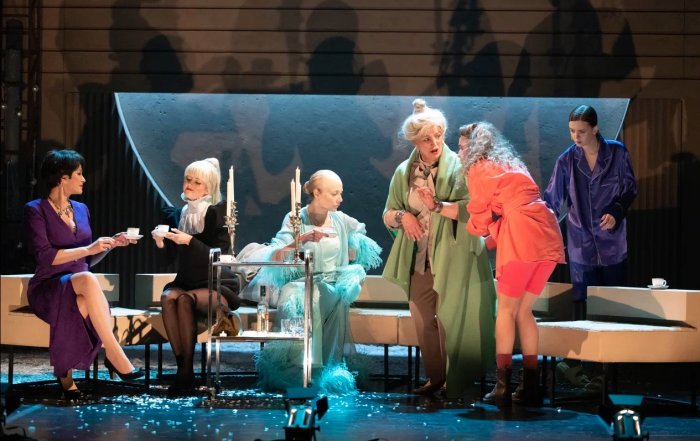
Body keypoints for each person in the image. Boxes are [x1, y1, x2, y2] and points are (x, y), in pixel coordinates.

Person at [382, 99, 497, 398]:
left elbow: (476, 209)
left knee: (451, 320)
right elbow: (388, 213)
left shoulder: (461, 167)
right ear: (415, 142)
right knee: (423, 320)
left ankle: (453, 382)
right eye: (426, 139)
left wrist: (439, 206)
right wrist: (403, 216)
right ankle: (436, 378)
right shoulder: (403, 173)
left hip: (454, 256)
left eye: (438, 135)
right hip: (419, 259)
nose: (434, 143)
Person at [452, 122, 565, 407]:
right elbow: (512, 206)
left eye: (462, 147)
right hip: (547, 234)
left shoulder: (478, 168)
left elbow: (480, 216)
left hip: (522, 235)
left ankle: (502, 386)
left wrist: (475, 231)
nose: (459, 152)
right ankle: (531, 386)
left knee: (505, 310)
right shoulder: (511, 164)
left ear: (475, 149)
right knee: (524, 311)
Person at [24, 149, 145, 400]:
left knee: (83, 295)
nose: (84, 179)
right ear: (62, 178)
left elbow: (85, 260)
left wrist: (109, 245)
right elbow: (46, 257)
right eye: (79, 174)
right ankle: (114, 353)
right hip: (49, 287)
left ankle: (66, 377)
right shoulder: (36, 210)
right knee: (88, 280)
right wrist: (89, 248)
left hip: (80, 284)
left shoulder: (81, 209)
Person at [254, 170, 382, 394]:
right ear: (317, 193)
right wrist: (301, 239)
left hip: (331, 284)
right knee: (301, 295)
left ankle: (314, 370)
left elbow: (358, 234)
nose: (340, 198)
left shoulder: (340, 220)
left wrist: (353, 245)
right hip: (302, 283)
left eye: (340, 193)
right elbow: (276, 255)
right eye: (334, 193)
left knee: (323, 289)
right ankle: (303, 370)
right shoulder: (296, 218)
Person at [543, 104, 637, 387]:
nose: (576, 137)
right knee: (582, 304)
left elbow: (630, 189)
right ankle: (584, 366)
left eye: (581, 131)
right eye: (572, 131)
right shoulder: (566, 160)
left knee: (611, 306)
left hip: (612, 244)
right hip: (581, 244)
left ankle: (609, 372)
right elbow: (552, 201)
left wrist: (616, 211)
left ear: (595, 129)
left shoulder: (617, 153)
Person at [153, 158, 242, 395]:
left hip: (215, 283)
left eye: (197, 182)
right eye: (188, 179)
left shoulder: (216, 212)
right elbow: (171, 260)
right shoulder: (178, 214)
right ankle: (184, 368)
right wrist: (161, 243)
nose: (189, 185)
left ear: (208, 188)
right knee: (168, 297)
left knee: (184, 299)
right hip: (186, 280)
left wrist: (190, 241)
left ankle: (185, 374)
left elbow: (220, 255)